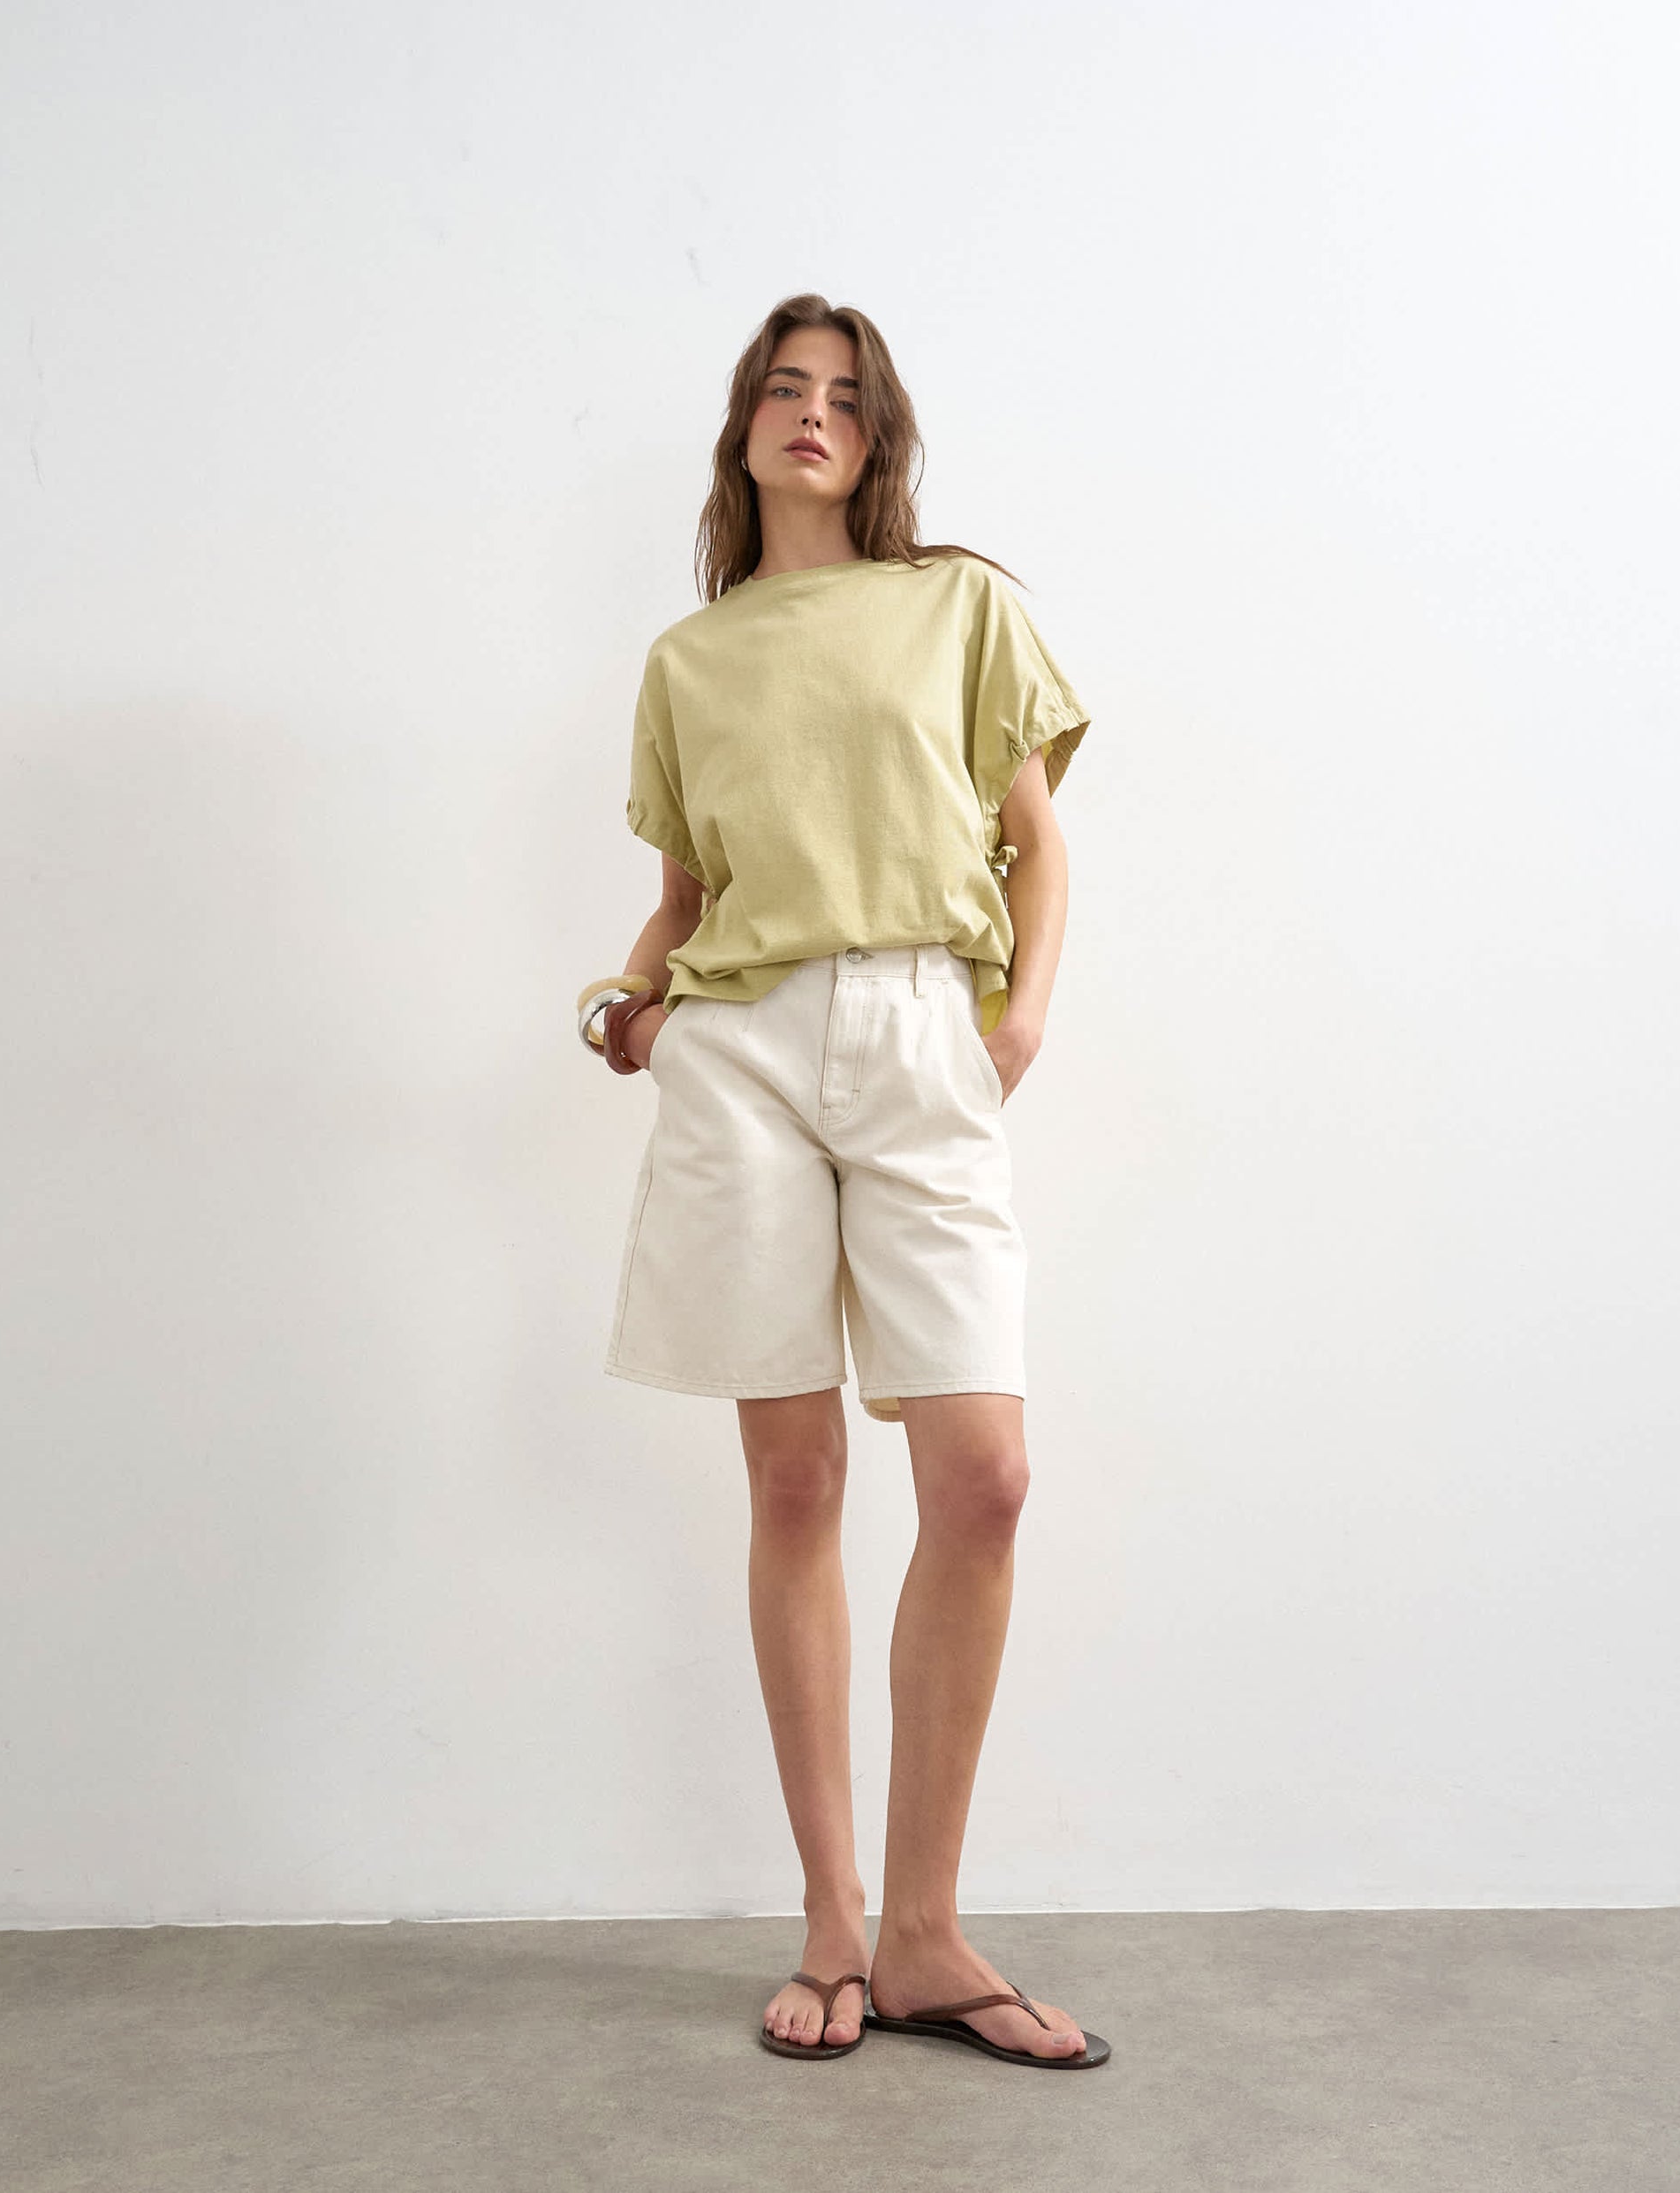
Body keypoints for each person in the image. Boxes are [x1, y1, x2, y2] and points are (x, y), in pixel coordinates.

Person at [578, 295, 1109, 2071]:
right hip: (737, 1052)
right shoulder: (689, 660)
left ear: (880, 439)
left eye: (847, 396)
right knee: (795, 1478)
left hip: (918, 1031)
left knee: (983, 1477)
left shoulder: (958, 606)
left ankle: (928, 1934)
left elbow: (1036, 844)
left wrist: (1013, 1027)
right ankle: (832, 1923)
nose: (813, 414)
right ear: (743, 428)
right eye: (784, 389)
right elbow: (685, 902)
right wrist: (630, 1004)